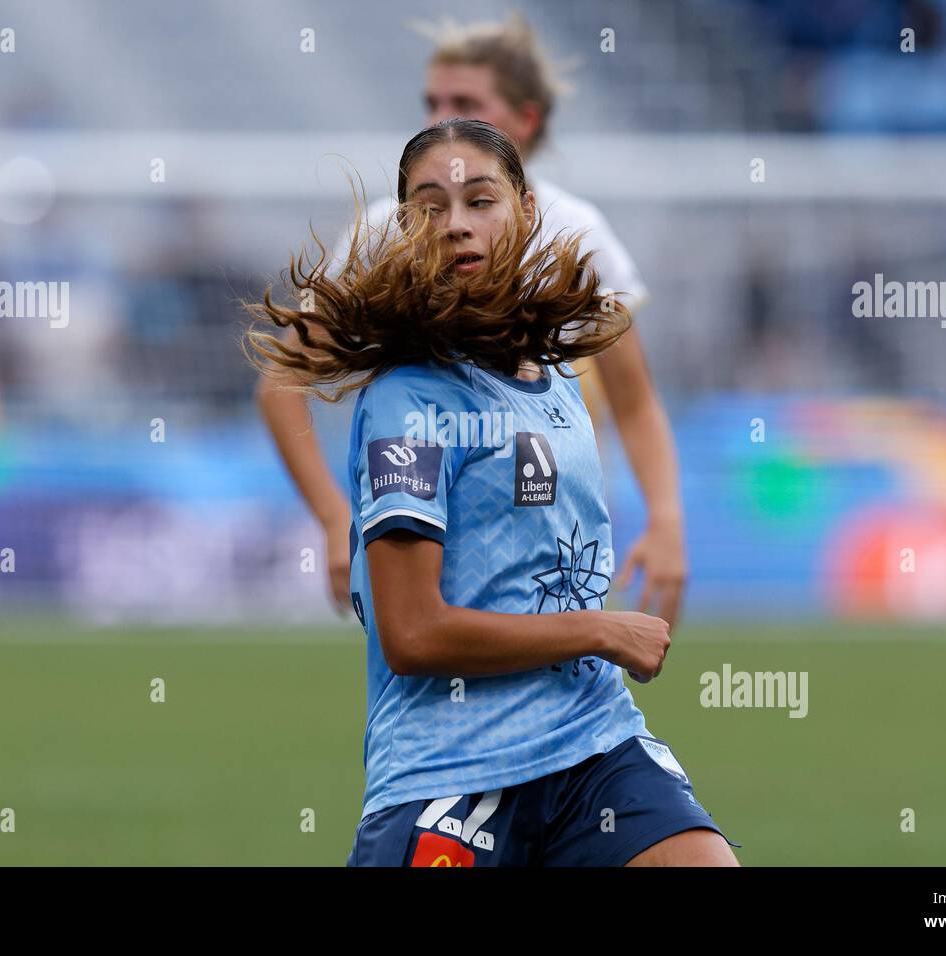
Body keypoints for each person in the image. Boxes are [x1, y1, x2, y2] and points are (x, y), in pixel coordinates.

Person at [246, 118, 737, 866]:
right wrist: (601, 630)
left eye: (481, 200)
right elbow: (413, 637)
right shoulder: (408, 406)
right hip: (452, 768)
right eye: (428, 210)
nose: (456, 227)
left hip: (593, 743)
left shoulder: (564, 376)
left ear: (527, 212)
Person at [256, 12, 689, 631]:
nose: (439, 117)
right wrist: (332, 516)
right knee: (436, 659)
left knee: (567, 686)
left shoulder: (579, 234)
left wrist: (666, 521)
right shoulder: (387, 229)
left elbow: (636, 401)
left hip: (554, 531)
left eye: (464, 102)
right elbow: (281, 382)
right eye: (431, 101)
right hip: (430, 531)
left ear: (527, 120)